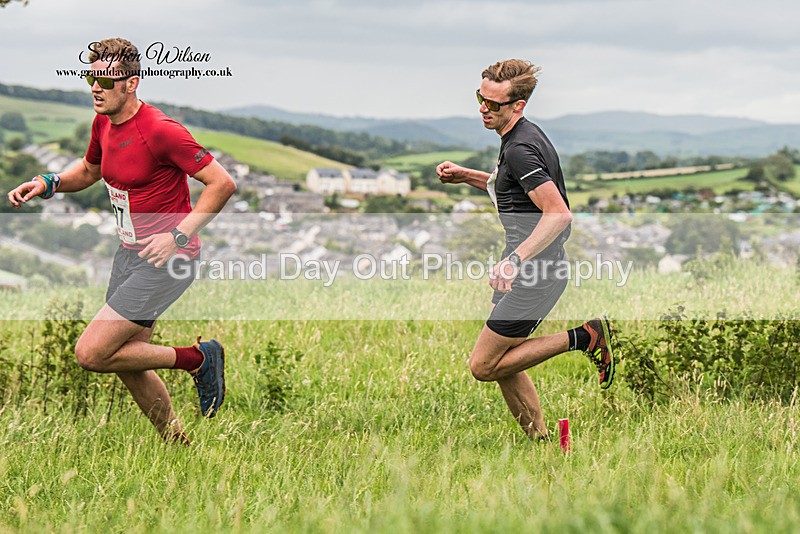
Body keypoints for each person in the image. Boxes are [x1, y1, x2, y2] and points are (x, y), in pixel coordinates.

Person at [7, 37, 237, 444]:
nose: (95, 87)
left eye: (105, 79)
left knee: (92, 353)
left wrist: (178, 235)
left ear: (131, 83)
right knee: (127, 359)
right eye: (90, 77)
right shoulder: (103, 123)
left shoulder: (161, 131)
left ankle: (198, 358)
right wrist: (49, 182)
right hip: (129, 255)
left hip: (168, 260)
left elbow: (222, 183)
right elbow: (89, 172)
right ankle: (179, 447)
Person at [436, 59, 614, 441]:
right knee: (505, 362)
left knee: (484, 366)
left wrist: (516, 261)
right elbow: (513, 191)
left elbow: (558, 214)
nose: (484, 109)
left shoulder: (521, 150)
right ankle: (543, 443)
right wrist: (467, 176)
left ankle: (585, 337)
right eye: (480, 99)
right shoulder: (522, 137)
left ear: (518, 105)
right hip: (528, 271)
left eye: (493, 104)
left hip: (535, 274)